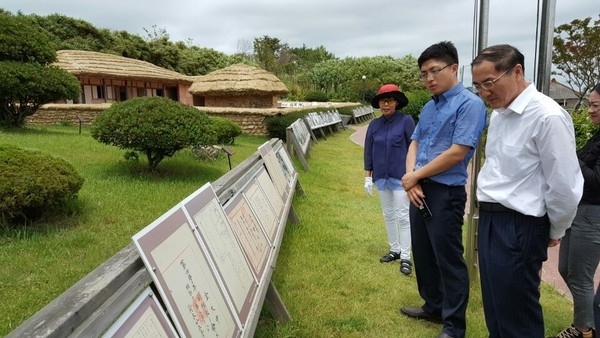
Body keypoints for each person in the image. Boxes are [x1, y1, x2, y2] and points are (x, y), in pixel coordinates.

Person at [471, 44, 584, 338]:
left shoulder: (547, 116)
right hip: (492, 219)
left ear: (517, 71)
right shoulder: (499, 114)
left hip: (520, 225)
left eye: (489, 83)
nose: (484, 92)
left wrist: (556, 229)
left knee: (517, 313)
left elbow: (564, 185)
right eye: (478, 86)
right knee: (496, 306)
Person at [399, 41, 487, 338]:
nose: (429, 79)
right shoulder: (428, 106)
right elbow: (415, 142)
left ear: (453, 68)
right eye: (424, 73)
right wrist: (411, 176)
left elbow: (457, 152)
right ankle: (433, 307)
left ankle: (454, 326)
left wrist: (415, 177)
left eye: (434, 71)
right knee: (423, 253)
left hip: (444, 193)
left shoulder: (470, 104)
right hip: (419, 188)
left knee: (447, 258)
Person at [553, 84, 600, 338]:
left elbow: (595, 181)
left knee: (581, 276)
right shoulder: (597, 135)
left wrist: (570, 155)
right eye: (589, 104)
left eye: (595, 106)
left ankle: (583, 330)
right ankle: (587, 319)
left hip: (593, 215)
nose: (589, 110)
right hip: (579, 211)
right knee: (565, 269)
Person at [363, 84, 415, 275]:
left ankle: (406, 256)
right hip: (381, 179)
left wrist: (413, 174)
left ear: (397, 102)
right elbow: (368, 151)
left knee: (403, 216)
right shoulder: (374, 125)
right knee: (388, 215)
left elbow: (413, 149)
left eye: (390, 100)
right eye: (382, 101)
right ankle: (395, 249)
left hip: (401, 178)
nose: (385, 104)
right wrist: (367, 177)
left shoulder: (406, 121)